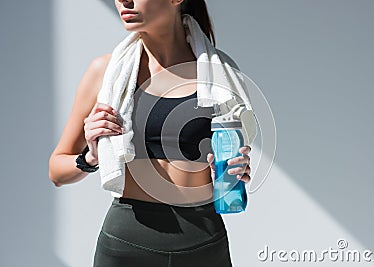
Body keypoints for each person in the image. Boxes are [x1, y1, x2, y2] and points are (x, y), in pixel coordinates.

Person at [48, 0, 253, 266]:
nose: (124, 0)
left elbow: (235, 145)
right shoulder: (106, 72)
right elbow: (57, 170)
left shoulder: (219, 75)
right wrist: (90, 158)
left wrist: (237, 169)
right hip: (127, 240)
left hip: (203, 238)